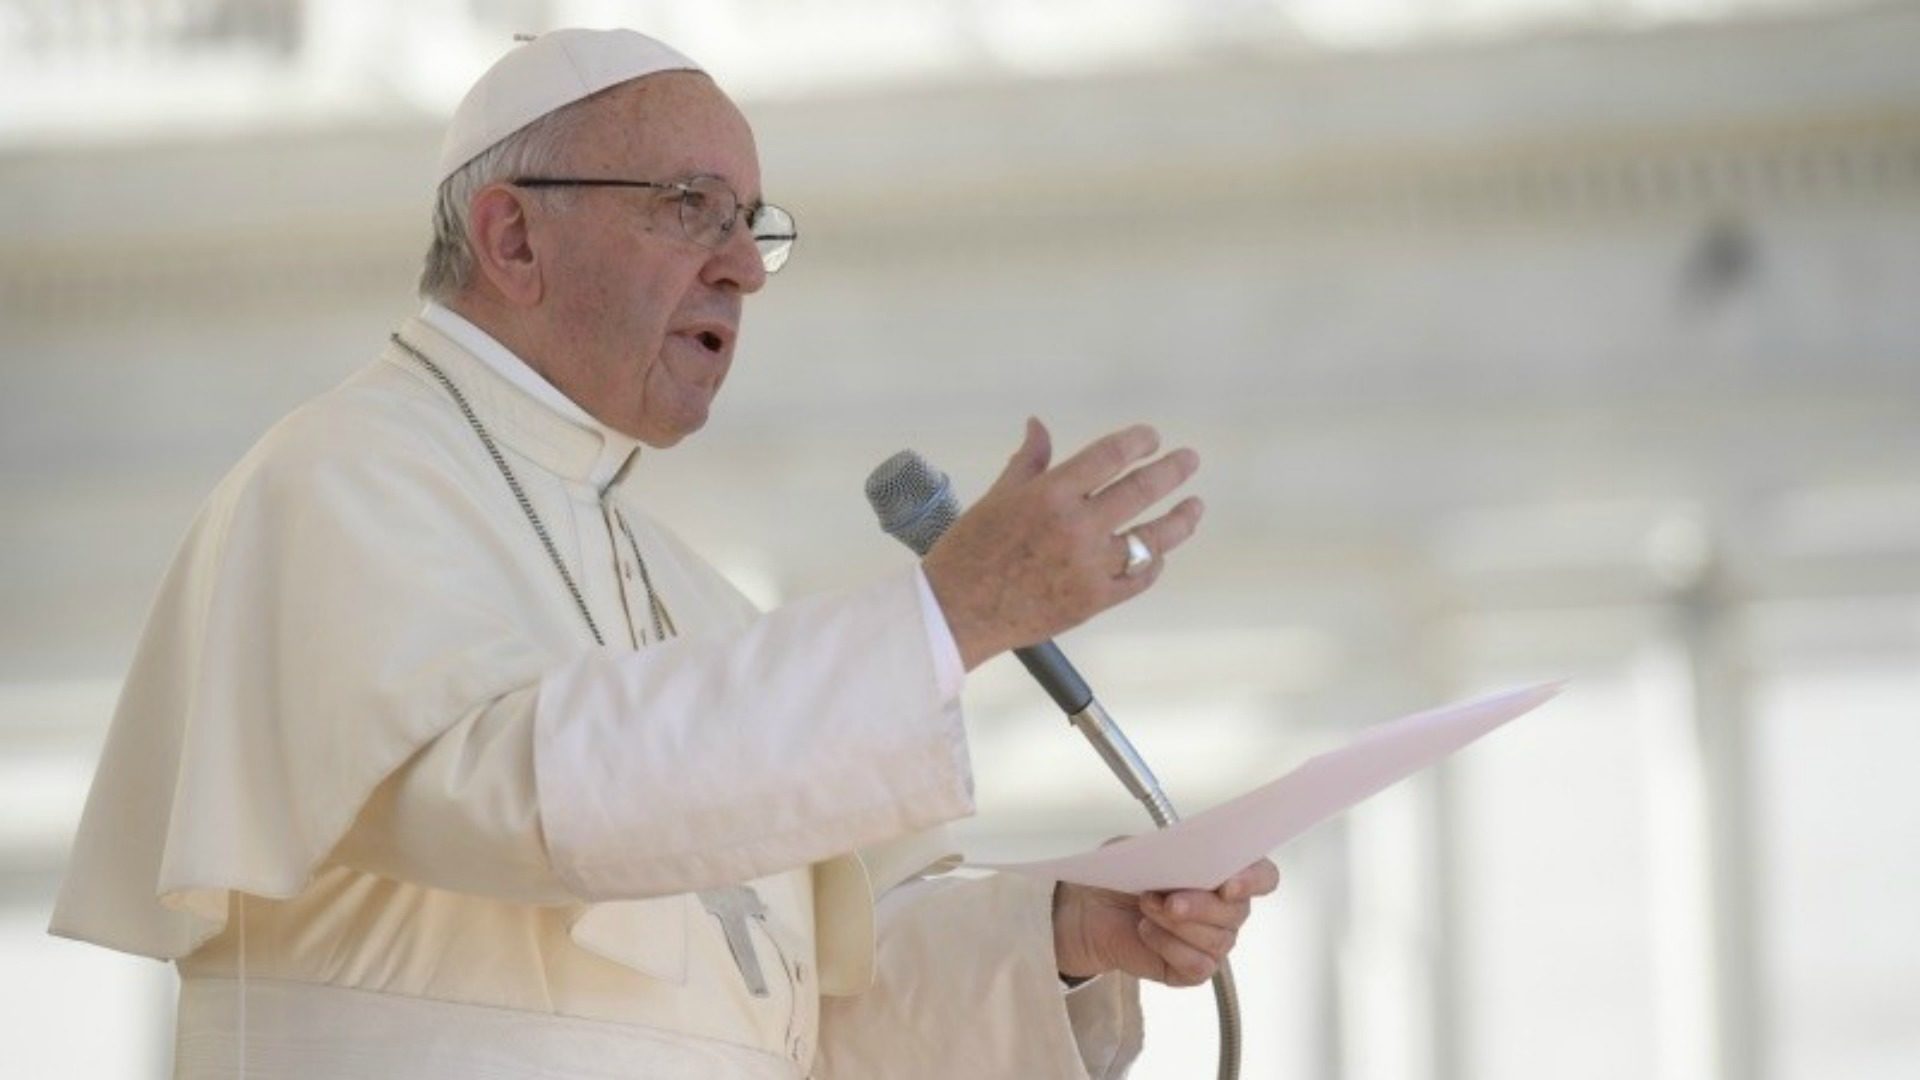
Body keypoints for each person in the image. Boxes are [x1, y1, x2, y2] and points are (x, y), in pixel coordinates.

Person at [50, 28, 1278, 1079]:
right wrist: (948, 619)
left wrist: (1069, 932)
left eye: (753, 225)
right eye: (691, 207)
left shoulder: (683, 585)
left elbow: (811, 1007)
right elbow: (518, 806)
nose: (742, 265)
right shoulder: (338, 479)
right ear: (513, 238)